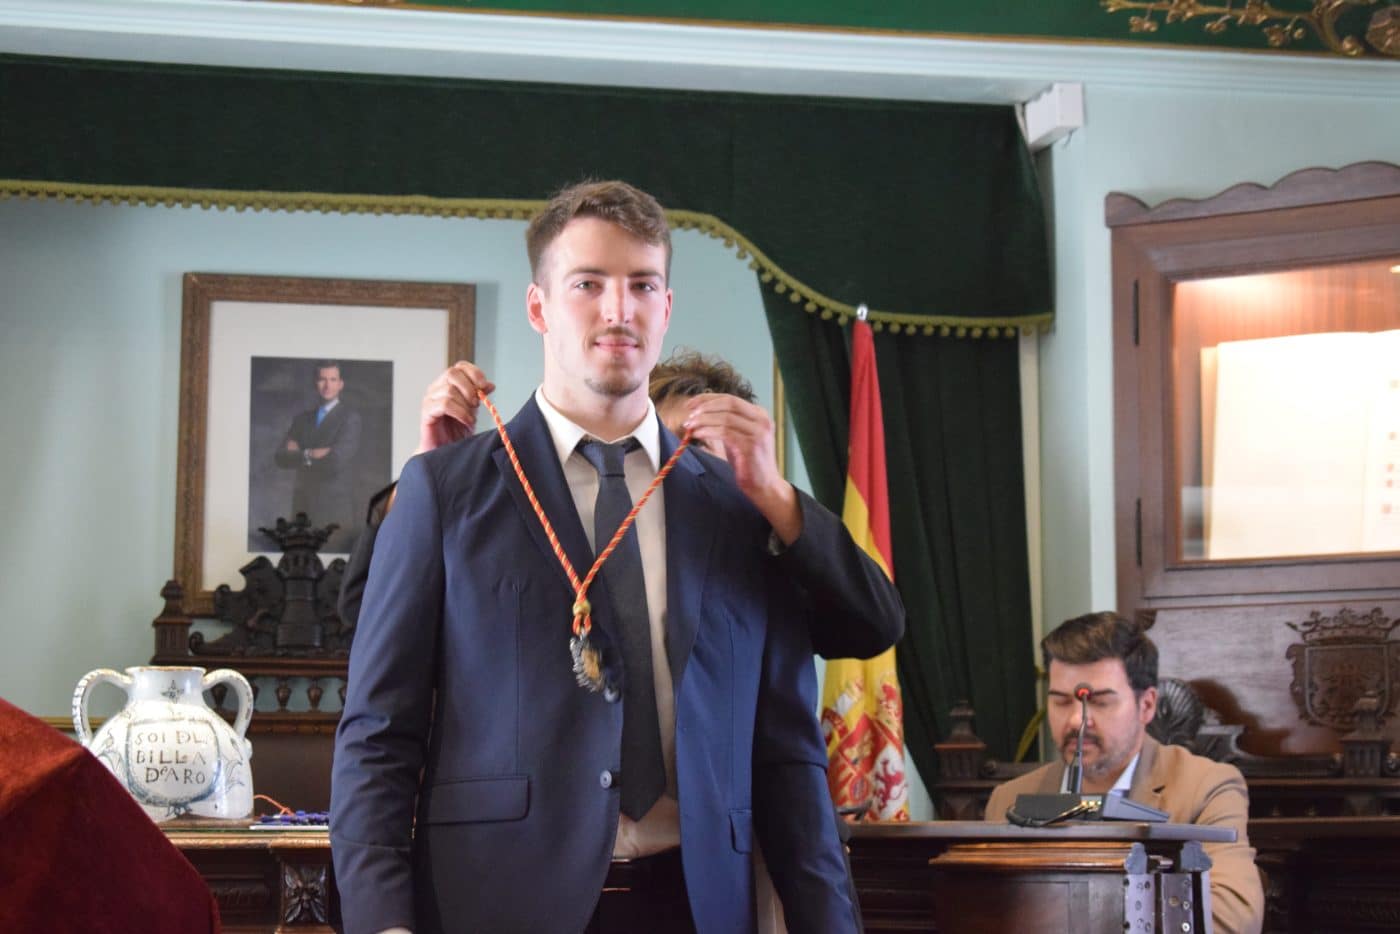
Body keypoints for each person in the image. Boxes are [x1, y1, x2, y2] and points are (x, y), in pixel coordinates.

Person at [330, 180, 862, 934]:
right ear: (540, 307)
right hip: (496, 903)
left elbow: (788, 751)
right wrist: (383, 921)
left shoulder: (737, 501)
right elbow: (378, 737)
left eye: (643, 284)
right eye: (588, 284)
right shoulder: (444, 490)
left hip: (700, 904)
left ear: (667, 307)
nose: (620, 310)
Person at [337, 350, 905, 664]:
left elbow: (873, 626)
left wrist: (775, 495)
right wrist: (424, 470)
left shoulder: (762, 542)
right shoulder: (549, 525)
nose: (684, 465)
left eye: (705, 447)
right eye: (669, 442)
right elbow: (369, 619)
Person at [984, 612, 1265, 934]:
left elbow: (1233, 919)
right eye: (1061, 702)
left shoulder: (1205, 788)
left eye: (1100, 702)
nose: (1076, 720)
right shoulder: (1009, 800)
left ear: (1146, 706)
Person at [273, 360, 361, 547]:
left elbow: (335, 462)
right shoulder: (302, 419)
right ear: (315, 383)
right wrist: (311, 453)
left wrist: (299, 454)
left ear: (340, 384)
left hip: (334, 506)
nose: (327, 385)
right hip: (303, 506)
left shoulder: (350, 419)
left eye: (332, 379)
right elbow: (281, 457)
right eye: (322, 379)